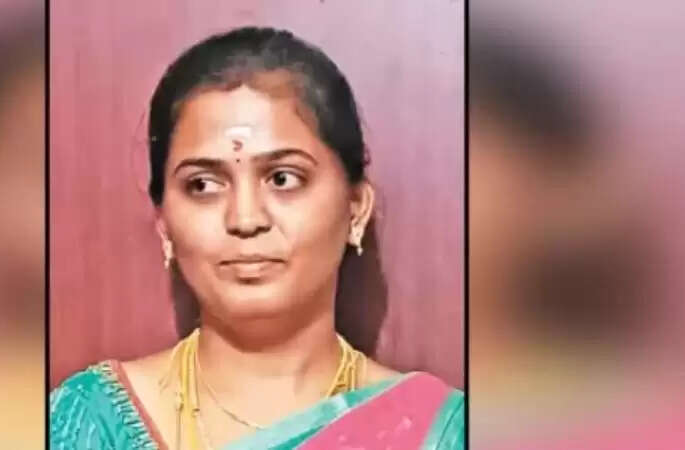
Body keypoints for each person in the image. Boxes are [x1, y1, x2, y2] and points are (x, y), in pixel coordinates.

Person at [51, 26, 464, 449]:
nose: (245, 219)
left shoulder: (440, 435)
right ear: (165, 225)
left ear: (355, 209)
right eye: (203, 185)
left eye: (283, 178)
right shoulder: (89, 425)